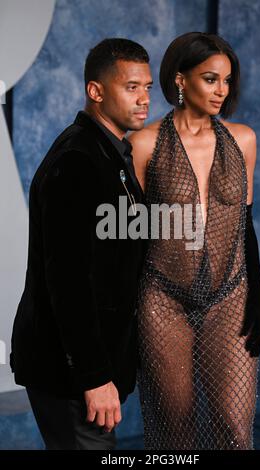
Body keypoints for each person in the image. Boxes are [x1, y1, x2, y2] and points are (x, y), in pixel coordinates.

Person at [10, 38, 152, 450]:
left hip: (94, 366)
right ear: (96, 91)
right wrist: (93, 376)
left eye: (146, 87)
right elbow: (68, 281)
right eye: (131, 88)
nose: (144, 99)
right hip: (69, 372)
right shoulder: (77, 161)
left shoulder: (111, 153)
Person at [129, 32, 260, 450]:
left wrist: (256, 294)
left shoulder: (243, 140)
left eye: (226, 81)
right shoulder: (143, 144)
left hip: (230, 294)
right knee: (176, 431)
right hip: (162, 298)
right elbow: (132, 237)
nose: (221, 90)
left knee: (234, 428)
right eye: (210, 79)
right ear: (180, 80)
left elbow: (246, 222)